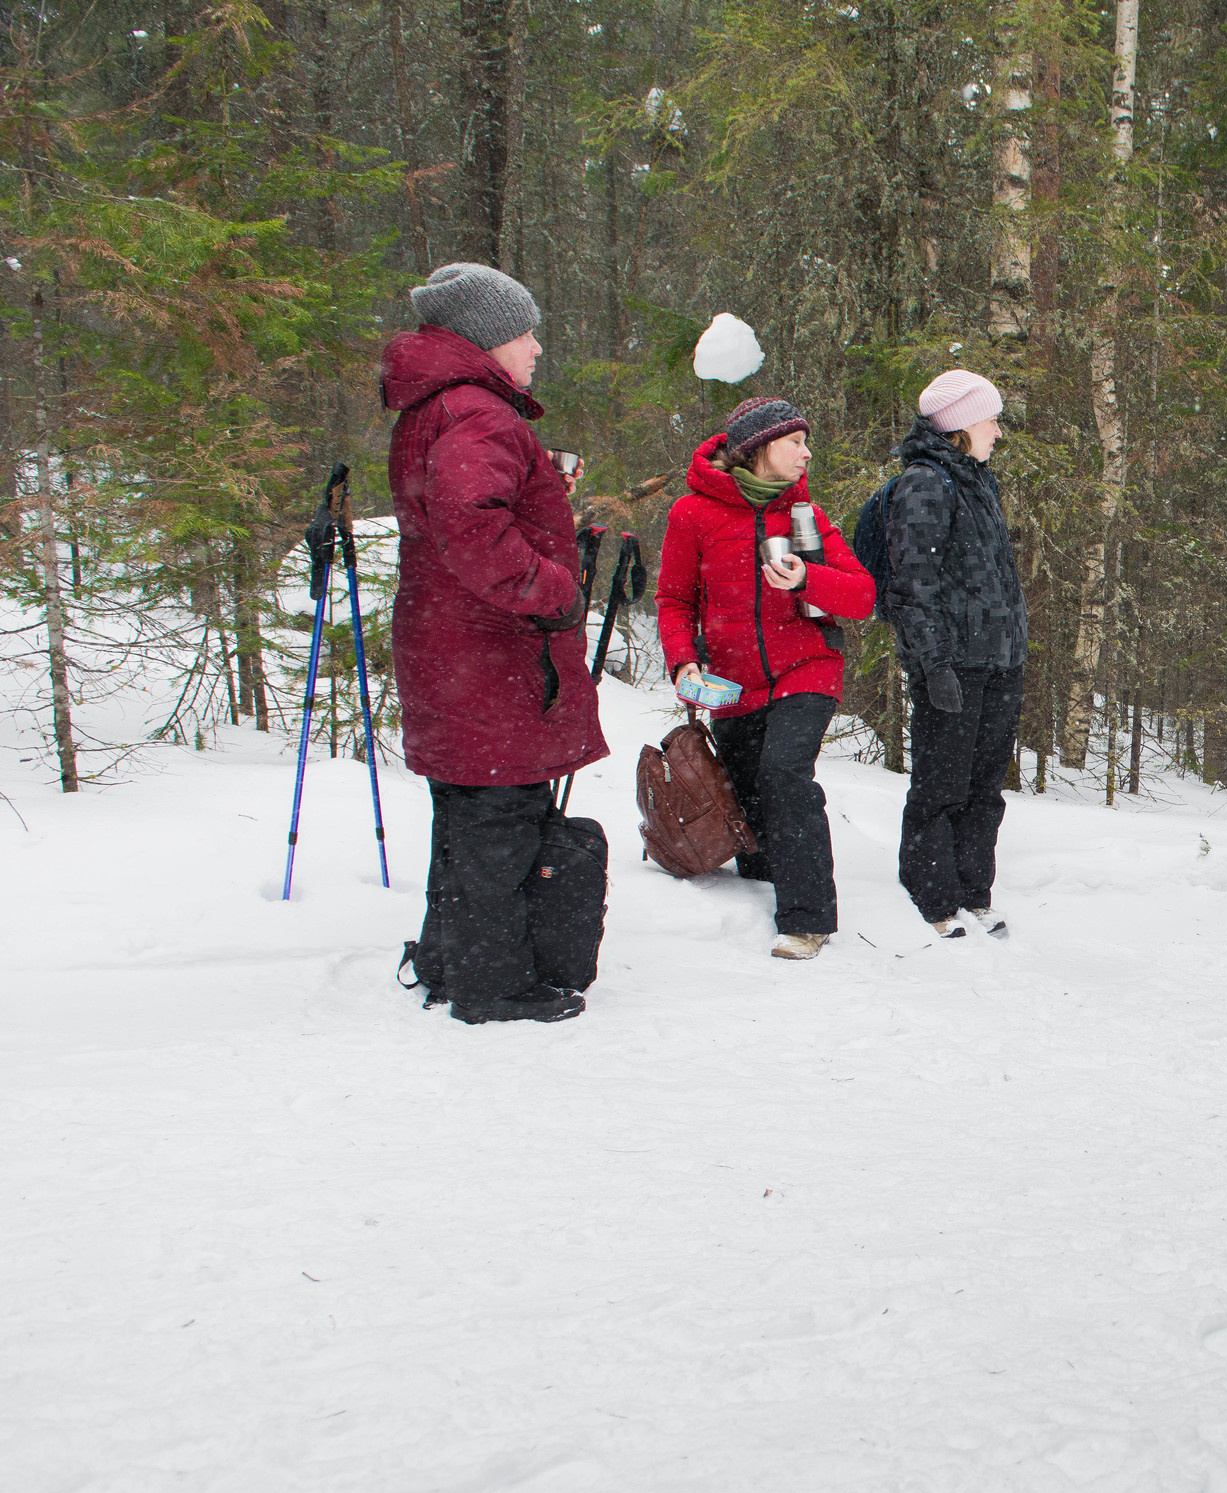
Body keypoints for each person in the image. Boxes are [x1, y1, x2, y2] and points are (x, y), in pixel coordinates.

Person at [386, 262, 605, 1025]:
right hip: (488, 655)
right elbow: (474, 528)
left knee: (468, 813)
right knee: (500, 820)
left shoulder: (441, 407)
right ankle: (493, 983)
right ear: (485, 340)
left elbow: (468, 513)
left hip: (451, 647)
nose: (537, 347)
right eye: (524, 332)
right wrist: (555, 590)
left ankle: (450, 959)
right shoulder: (479, 413)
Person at [657, 397, 877, 960]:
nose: (807, 453)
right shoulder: (692, 514)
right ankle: (754, 887)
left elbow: (861, 597)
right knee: (745, 792)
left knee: (784, 775)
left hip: (807, 667)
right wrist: (683, 659)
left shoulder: (806, 517)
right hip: (731, 683)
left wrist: (807, 579)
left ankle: (807, 919)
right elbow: (675, 598)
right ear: (758, 449)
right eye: (795, 442)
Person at [881, 370, 1027, 940]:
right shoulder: (924, 483)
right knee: (941, 784)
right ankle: (932, 895)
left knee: (985, 786)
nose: (997, 430)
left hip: (998, 660)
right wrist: (934, 664)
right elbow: (910, 586)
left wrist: (1011, 652)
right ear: (963, 425)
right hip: (952, 663)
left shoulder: (978, 480)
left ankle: (973, 890)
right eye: (990, 419)